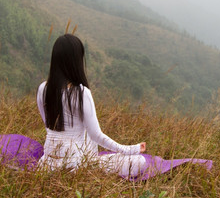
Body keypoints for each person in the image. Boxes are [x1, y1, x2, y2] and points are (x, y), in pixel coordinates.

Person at [36, 34, 147, 176]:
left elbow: (49, 125)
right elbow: (97, 136)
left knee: (85, 134)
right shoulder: (81, 93)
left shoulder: (42, 89)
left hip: (46, 165)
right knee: (139, 161)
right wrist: (129, 149)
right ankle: (88, 166)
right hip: (75, 167)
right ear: (77, 61)